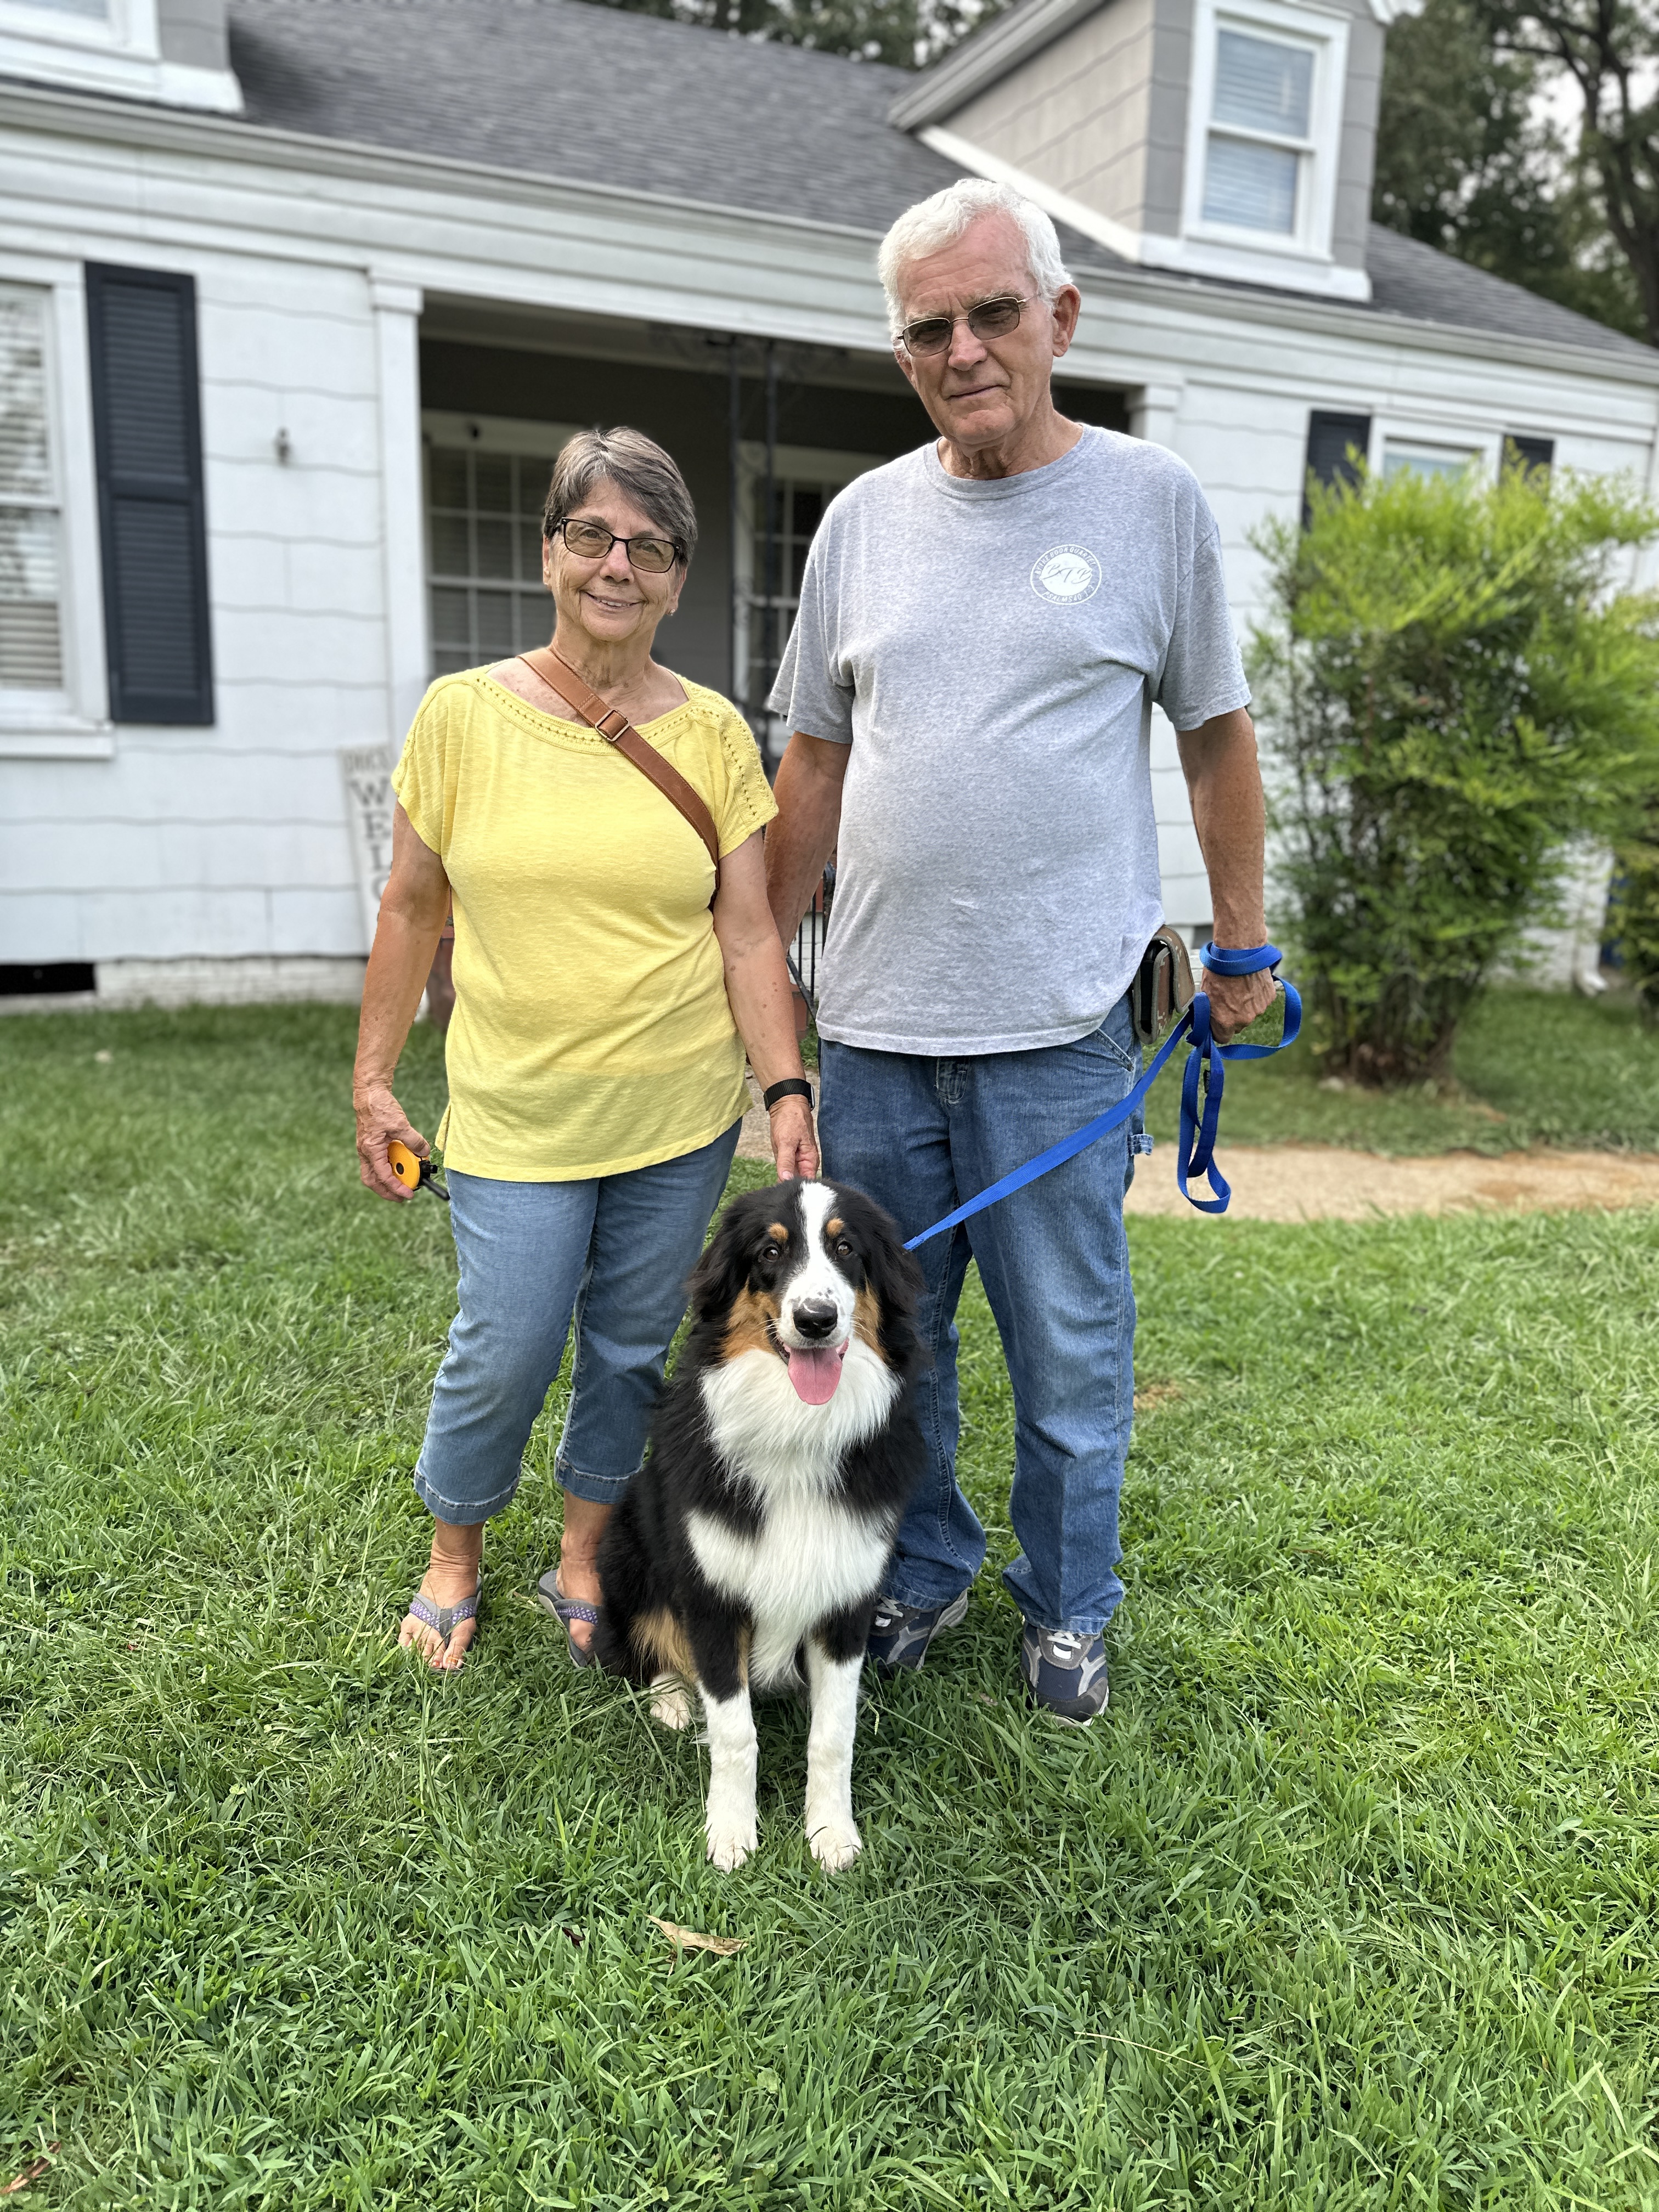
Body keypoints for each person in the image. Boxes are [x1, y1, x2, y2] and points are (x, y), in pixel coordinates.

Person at [763, 179, 1273, 1724]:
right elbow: (811, 767)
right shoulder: (859, 523)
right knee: (887, 1345)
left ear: (1060, 318)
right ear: (902, 352)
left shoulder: (1150, 503)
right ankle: (923, 1569)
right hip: (875, 1028)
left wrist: (1242, 946)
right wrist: (768, 971)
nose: (966, 347)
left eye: (994, 313)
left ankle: (1069, 1606)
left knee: (1069, 1352)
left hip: (1059, 1033)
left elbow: (1217, 741)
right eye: (931, 327)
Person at [355, 427, 817, 1672]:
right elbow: (410, 908)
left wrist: (784, 1087)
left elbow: (748, 930)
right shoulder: (461, 717)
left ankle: (580, 1551)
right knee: (504, 1343)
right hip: (515, 1113)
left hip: (674, 1115)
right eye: (592, 536)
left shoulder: (715, 733)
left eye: (649, 547)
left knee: (625, 1349)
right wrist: (373, 1082)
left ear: (676, 578)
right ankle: (455, 1555)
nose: (618, 565)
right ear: (550, 551)